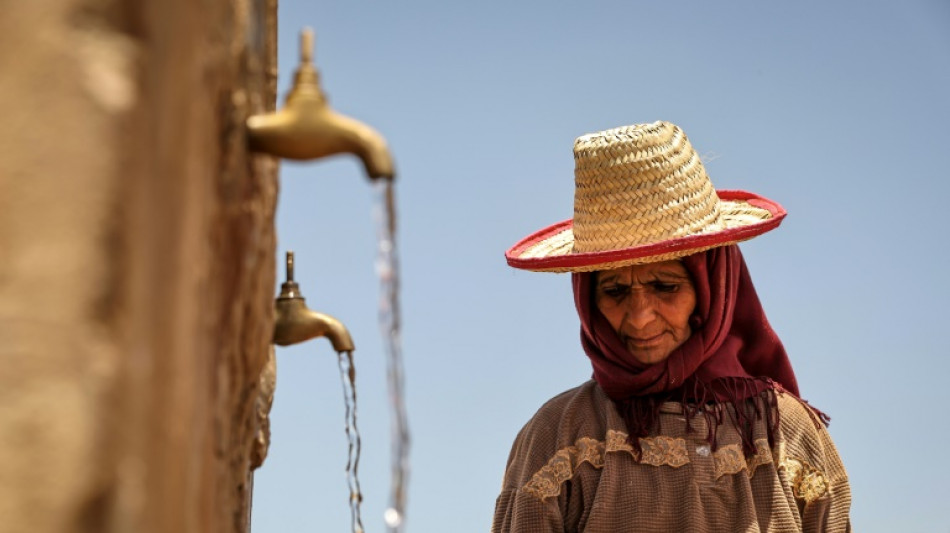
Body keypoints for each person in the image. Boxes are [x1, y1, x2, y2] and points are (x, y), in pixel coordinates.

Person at [493, 121, 851, 532]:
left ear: (713, 285)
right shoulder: (560, 435)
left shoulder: (788, 434)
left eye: (665, 286)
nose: (640, 316)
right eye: (614, 291)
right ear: (588, 300)